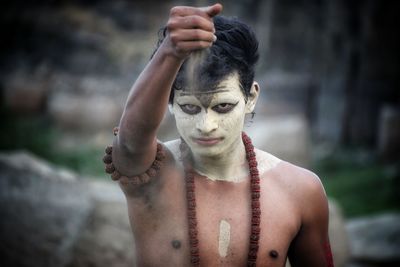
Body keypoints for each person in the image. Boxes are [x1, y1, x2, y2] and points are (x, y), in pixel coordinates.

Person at [103, 3, 334, 267]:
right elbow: (131, 142)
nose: (206, 124)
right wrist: (169, 52)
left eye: (223, 106)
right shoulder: (152, 176)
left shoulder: (301, 190)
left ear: (251, 98)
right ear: (170, 104)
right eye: (190, 108)